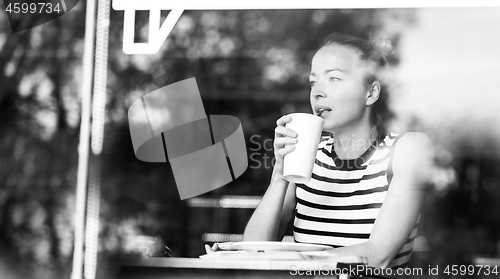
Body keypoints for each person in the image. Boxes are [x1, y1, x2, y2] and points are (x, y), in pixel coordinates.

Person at [206, 33, 433, 269]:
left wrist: (286, 260)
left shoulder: (408, 148)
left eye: (333, 78)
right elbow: (256, 251)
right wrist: (280, 175)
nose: (317, 92)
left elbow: (378, 255)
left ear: (371, 93)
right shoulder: (308, 156)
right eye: (313, 82)